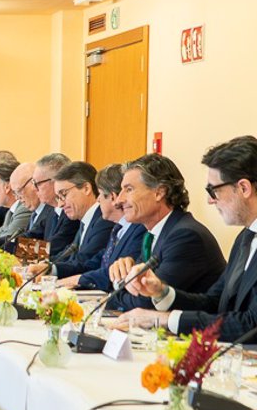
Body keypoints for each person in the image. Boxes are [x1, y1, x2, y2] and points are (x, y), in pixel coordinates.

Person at [115, 137, 257, 339]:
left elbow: (251, 323)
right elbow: (214, 303)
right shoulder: (245, 237)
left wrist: (164, 319)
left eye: (213, 190)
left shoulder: (187, 234)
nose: (209, 200)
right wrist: (161, 292)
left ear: (243, 188)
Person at [107, 153, 226, 311]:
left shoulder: (186, 236)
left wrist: (118, 286)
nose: (119, 200)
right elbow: (130, 291)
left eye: (129, 189)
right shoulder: (152, 234)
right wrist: (121, 279)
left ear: (159, 192)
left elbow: (147, 302)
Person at [62, 163, 145, 291]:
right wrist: (54, 271)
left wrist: (76, 280)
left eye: (100, 194)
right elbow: (94, 263)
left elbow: (116, 274)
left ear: (112, 197)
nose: (98, 199)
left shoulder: (139, 229)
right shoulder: (118, 229)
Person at [30, 161, 114, 279]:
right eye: (58, 197)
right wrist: (45, 266)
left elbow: (84, 260)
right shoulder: (83, 220)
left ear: (86, 188)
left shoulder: (104, 220)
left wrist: (49, 267)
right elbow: (69, 255)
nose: (60, 204)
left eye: (64, 194)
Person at [25, 152, 80, 256]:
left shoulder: (72, 212)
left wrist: (20, 252)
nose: (34, 189)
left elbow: (53, 247)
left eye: (37, 184)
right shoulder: (51, 210)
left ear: (56, 182)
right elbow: (30, 236)